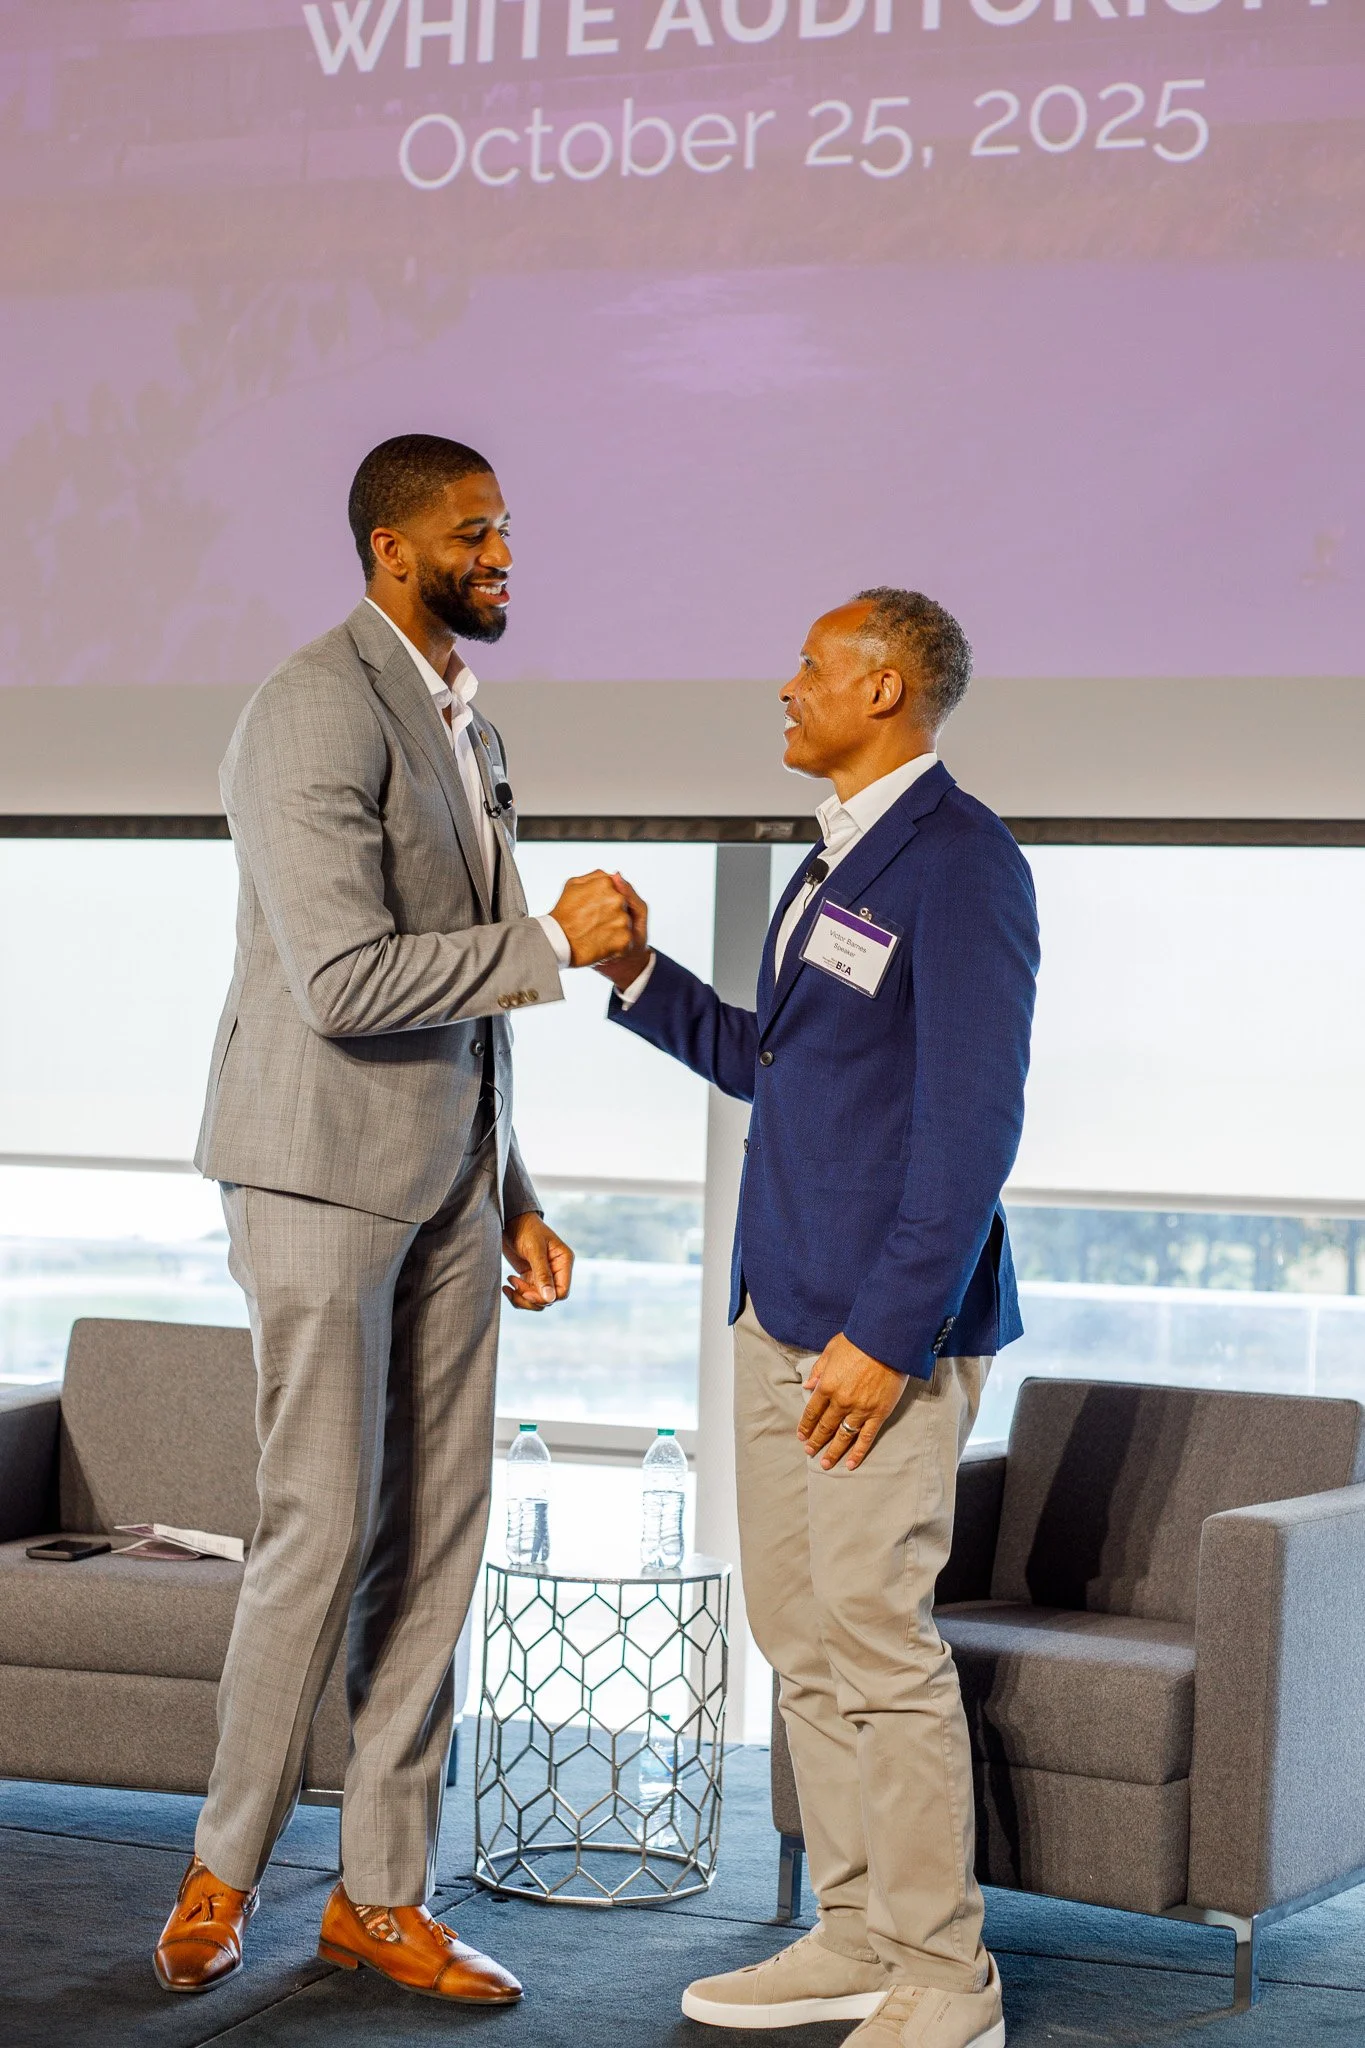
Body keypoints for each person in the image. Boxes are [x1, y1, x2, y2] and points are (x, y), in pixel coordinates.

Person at [153, 434, 634, 2003]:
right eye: (474, 532)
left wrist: (516, 1190)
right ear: (390, 549)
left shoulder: (467, 724)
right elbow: (349, 981)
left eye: (506, 529)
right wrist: (553, 945)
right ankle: (223, 1872)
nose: (503, 555)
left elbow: (464, 1000)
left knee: (438, 1538)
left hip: (451, 1185)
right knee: (323, 1528)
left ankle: (380, 1895)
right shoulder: (310, 707)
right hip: (314, 1170)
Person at [600, 590, 1038, 2048]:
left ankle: (944, 1974)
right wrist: (637, 976)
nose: (784, 688)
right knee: (798, 1633)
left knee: (875, 1636)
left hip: (880, 1338)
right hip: (777, 1310)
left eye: (809, 667)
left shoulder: (961, 863)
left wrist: (889, 1335)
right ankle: (854, 1933)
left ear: (887, 687)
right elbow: (776, 1062)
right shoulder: (827, 860)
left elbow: (972, 1129)